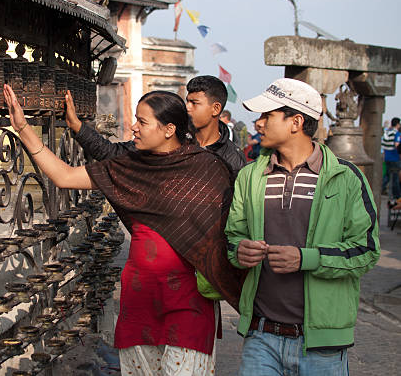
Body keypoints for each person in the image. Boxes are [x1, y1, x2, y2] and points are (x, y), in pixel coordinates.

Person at [4, 84, 243, 375]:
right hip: (140, 300)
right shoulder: (128, 166)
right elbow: (64, 176)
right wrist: (23, 128)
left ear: (169, 129)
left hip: (190, 302)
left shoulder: (207, 169)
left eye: (142, 121)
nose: (133, 127)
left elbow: (229, 232)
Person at [225, 78, 380, 376]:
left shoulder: (345, 179)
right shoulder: (249, 177)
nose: (258, 124)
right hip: (261, 336)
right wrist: (239, 251)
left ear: (296, 121)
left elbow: (367, 251)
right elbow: (233, 237)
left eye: (267, 116)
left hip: (321, 346)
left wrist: (306, 259)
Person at [65, 75, 246, 176]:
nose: (188, 108)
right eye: (187, 101)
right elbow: (112, 153)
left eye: (194, 103)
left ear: (215, 109)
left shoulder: (232, 158)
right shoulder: (171, 140)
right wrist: (77, 126)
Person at [381, 117, 401, 204]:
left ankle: (382, 188)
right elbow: (397, 145)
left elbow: (383, 145)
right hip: (394, 158)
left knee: (388, 176)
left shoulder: (387, 132)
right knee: (396, 178)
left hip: (387, 157)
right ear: (397, 124)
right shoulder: (396, 133)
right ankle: (397, 196)